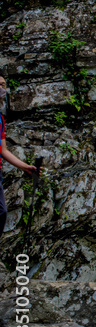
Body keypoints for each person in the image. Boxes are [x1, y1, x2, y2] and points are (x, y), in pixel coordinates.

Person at [0, 76, 41, 236]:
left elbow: (3, 150)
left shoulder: (0, 119)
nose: (2, 88)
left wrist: (25, 167)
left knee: (2, 212)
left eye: (3, 85)